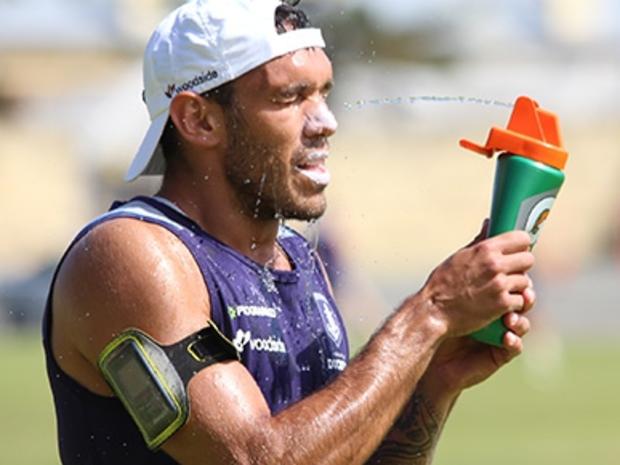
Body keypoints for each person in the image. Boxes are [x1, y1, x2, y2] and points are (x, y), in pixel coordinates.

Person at [43, 1, 535, 464]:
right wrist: (428, 313)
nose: (326, 121)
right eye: (290, 97)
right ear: (198, 120)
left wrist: (434, 379)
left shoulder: (297, 259)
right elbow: (255, 458)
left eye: (323, 92)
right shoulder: (131, 255)